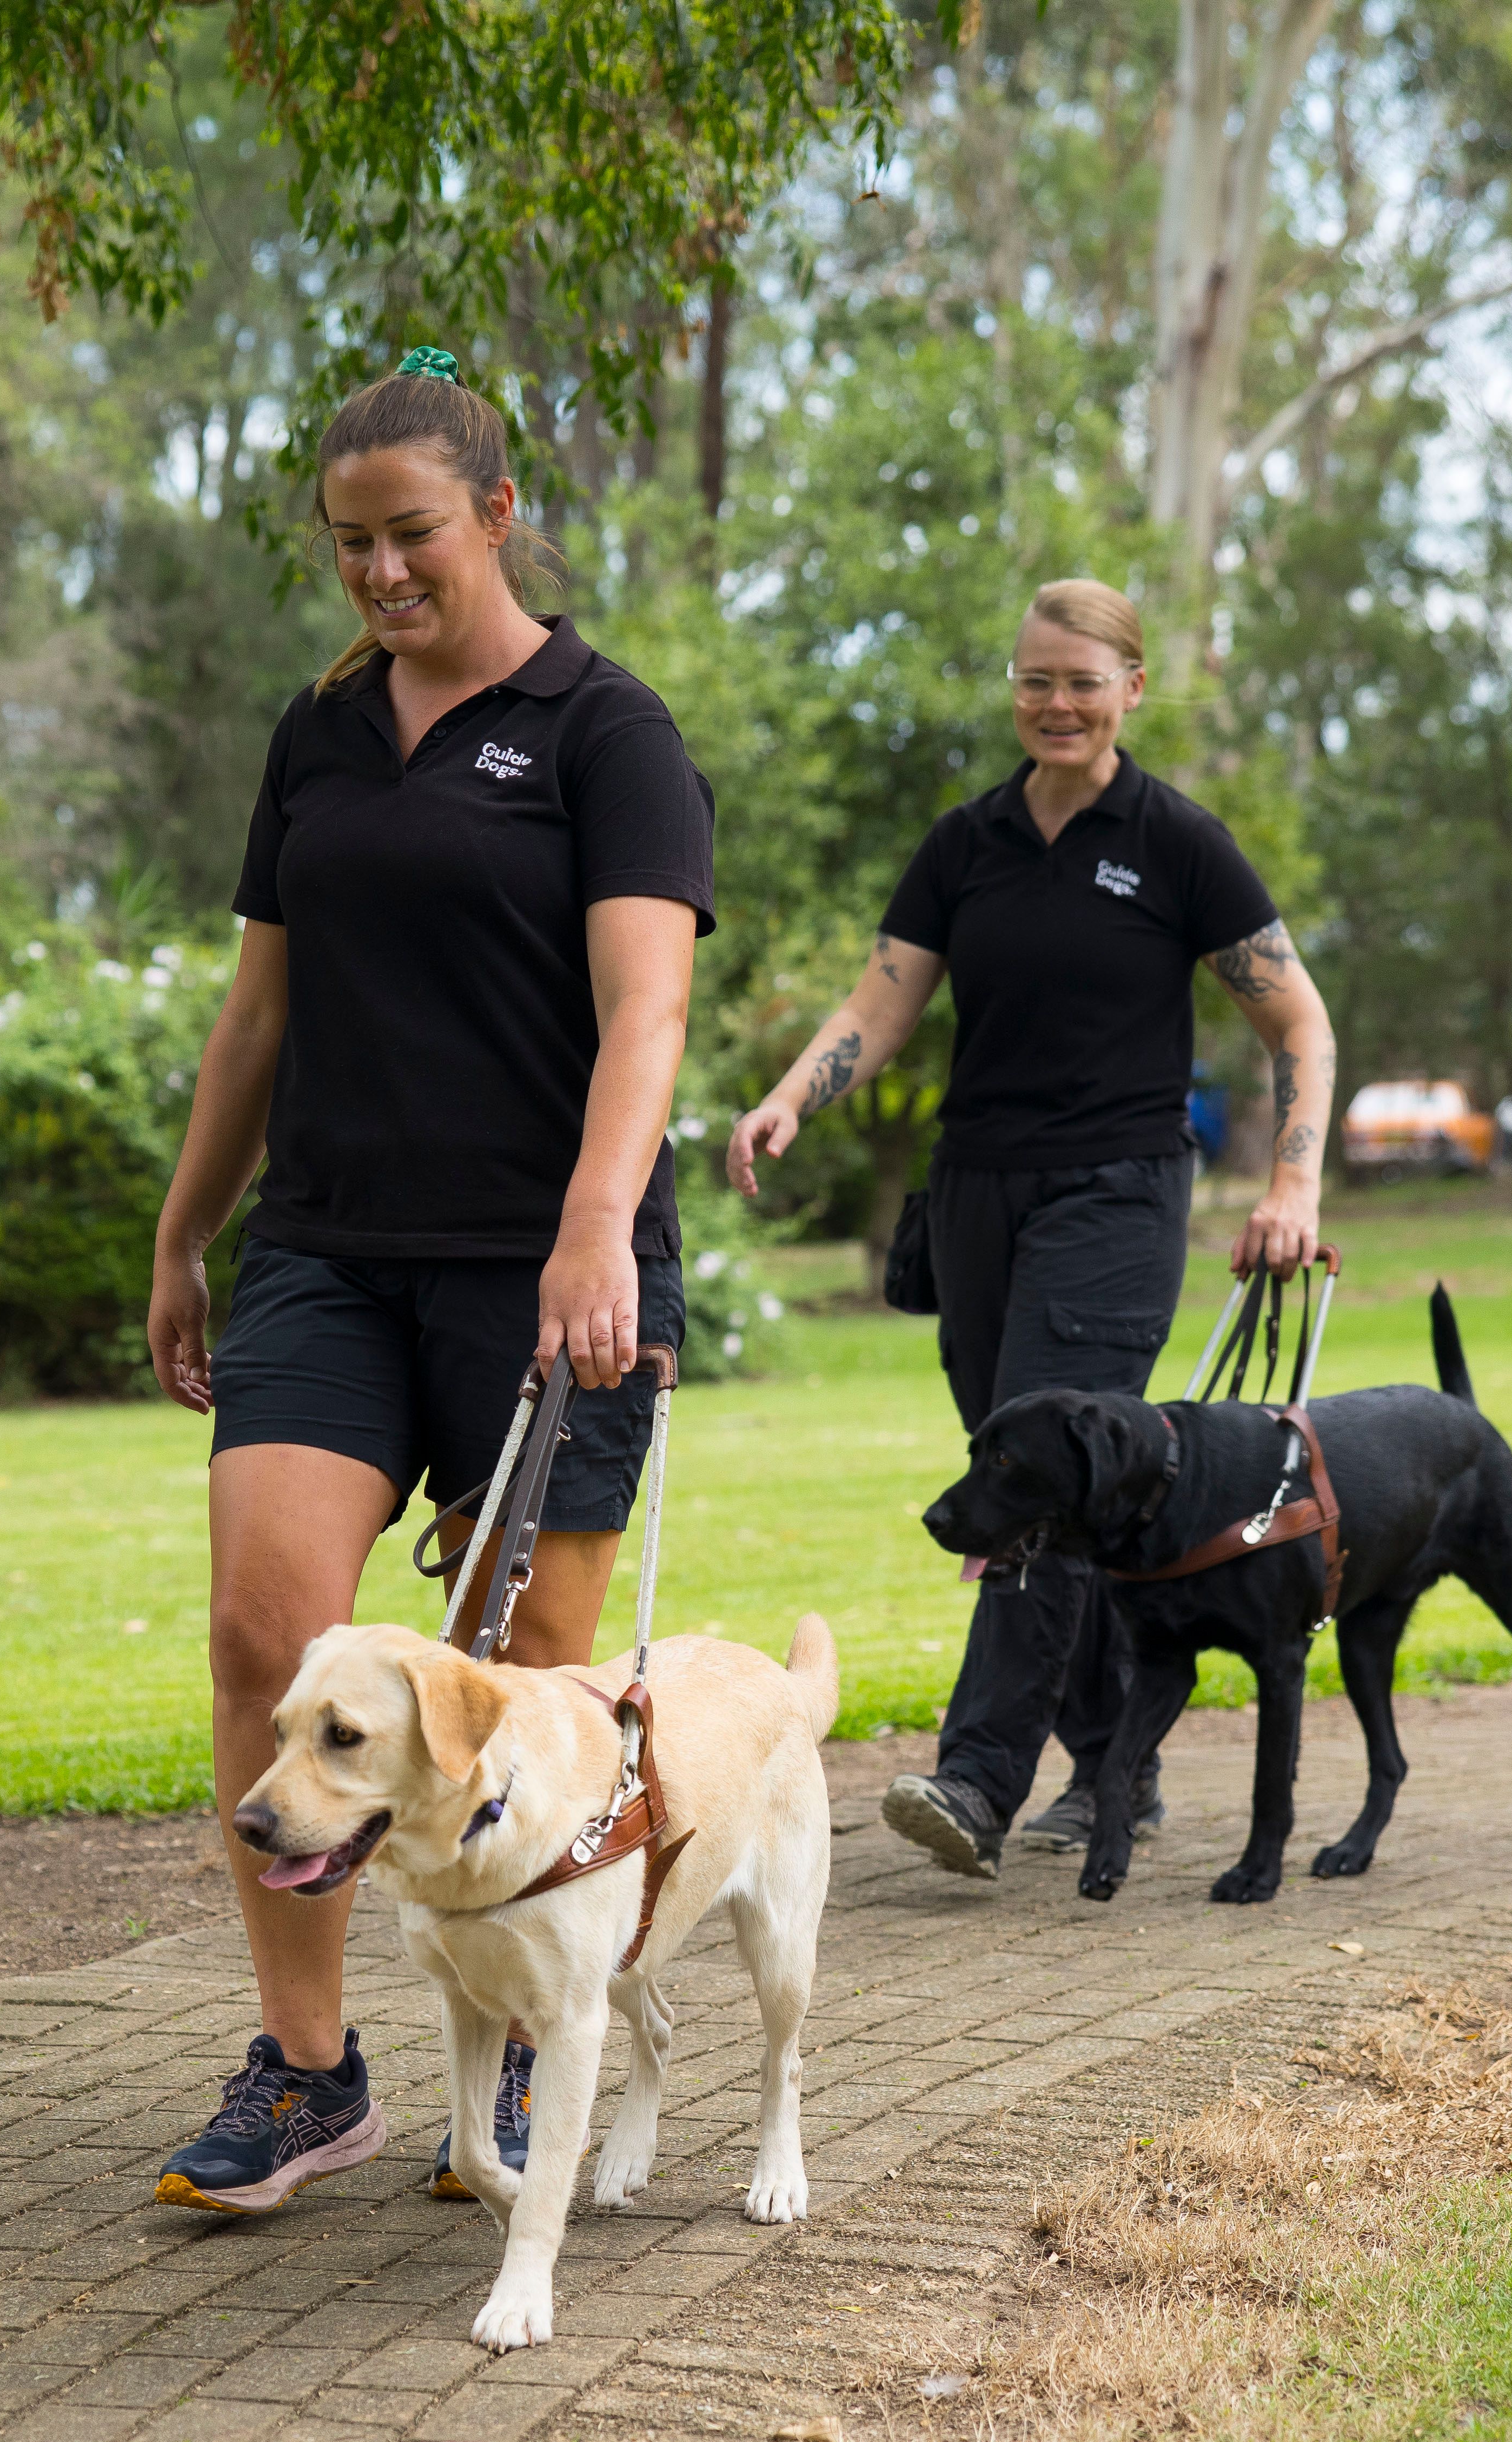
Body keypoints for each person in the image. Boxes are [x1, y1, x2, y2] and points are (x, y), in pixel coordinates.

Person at [143, 348, 714, 2212]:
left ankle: (540, 2044)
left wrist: (595, 1225)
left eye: (410, 535)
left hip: (547, 1273)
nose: (380, 572)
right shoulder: (318, 732)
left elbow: (646, 1012)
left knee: (533, 1686)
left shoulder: (607, 734)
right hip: (327, 1250)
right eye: (348, 543)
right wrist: (186, 1229)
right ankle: (310, 2076)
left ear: (495, 512)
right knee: (269, 1641)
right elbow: (257, 1017)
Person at [725, 578, 1336, 1880]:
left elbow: (1297, 1019)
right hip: (976, 1197)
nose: (1056, 704)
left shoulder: (1176, 842)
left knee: (1034, 1486)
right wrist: (788, 1098)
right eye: (1034, 681)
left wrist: (1292, 1185)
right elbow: (879, 1005)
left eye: (1082, 682)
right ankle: (1118, 1760)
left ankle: (978, 1774)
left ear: (1132, 689)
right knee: (1041, 1485)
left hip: (1116, 1193)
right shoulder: (968, 842)